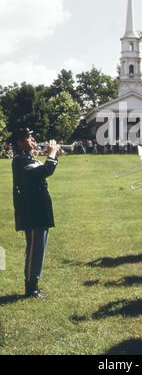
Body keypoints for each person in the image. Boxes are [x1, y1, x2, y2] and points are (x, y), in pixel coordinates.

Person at [12, 128, 59, 298]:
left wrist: (53, 155)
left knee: (39, 248)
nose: (33, 140)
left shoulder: (27, 158)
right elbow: (45, 171)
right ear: (20, 142)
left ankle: (34, 285)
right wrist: (52, 154)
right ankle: (31, 287)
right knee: (34, 250)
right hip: (32, 211)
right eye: (29, 138)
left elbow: (44, 170)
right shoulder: (19, 161)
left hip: (40, 209)